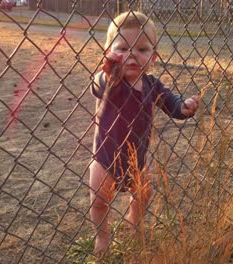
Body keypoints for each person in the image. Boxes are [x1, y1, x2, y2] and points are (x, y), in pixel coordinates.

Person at [89, 11, 199, 255]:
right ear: (108, 53)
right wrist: (107, 74)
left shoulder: (152, 85)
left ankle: (134, 221)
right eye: (122, 48)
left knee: (144, 193)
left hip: (137, 159)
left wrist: (183, 107)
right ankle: (102, 237)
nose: (132, 55)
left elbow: (170, 102)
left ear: (153, 57)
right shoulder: (112, 81)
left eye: (141, 50)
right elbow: (96, 86)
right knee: (98, 201)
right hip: (105, 159)